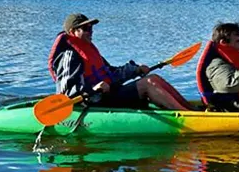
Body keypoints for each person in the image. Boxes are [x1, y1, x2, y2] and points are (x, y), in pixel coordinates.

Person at [48, 13, 195, 111]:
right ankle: (188, 116)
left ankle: (191, 110)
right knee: (148, 84)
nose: (91, 31)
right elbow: (66, 93)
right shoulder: (69, 55)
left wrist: (135, 70)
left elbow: (110, 74)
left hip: (106, 95)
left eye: (91, 27)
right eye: (86, 28)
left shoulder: (89, 49)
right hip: (93, 102)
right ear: (73, 32)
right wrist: (93, 89)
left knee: (153, 78)